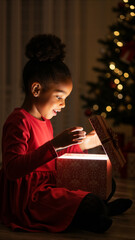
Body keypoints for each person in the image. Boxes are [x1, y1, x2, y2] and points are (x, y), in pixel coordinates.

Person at [0, 34, 132, 234]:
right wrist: (55, 145)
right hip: (30, 198)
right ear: (36, 89)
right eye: (59, 97)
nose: (63, 104)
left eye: (65, 98)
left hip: (49, 185)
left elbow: (55, 156)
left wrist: (88, 142)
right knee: (90, 204)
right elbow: (12, 169)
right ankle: (98, 211)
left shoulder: (45, 122)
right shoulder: (18, 122)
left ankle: (98, 209)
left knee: (106, 182)